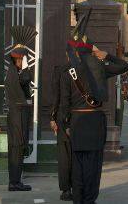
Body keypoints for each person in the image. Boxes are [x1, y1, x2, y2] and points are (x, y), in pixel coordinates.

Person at [59, 10, 128, 204]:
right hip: (95, 121)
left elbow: (65, 103)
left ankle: (78, 199)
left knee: (78, 164)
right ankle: (90, 199)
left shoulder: (68, 72)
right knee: (94, 164)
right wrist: (107, 55)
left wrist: (65, 124)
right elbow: (124, 66)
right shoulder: (99, 67)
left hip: (77, 121)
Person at [5, 26, 36, 192]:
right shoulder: (16, 74)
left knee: (17, 147)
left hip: (17, 113)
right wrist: (24, 63)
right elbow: (26, 78)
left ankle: (15, 181)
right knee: (17, 147)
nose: (23, 60)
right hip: (18, 114)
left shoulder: (12, 72)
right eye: (22, 58)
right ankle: (15, 182)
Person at [50, 64, 73, 201]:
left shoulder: (60, 70)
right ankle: (76, 187)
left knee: (64, 156)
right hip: (80, 119)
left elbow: (56, 96)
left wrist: (53, 117)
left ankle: (66, 190)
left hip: (63, 119)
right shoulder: (87, 69)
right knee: (77, 157)